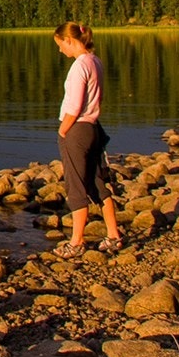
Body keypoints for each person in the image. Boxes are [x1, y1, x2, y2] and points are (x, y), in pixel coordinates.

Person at [52, 22, 124, 257]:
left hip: (77, 130)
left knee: (76, 185)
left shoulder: (78, 67)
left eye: (60, 45)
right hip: (94, 127)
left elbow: (74, 105)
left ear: (70, 41)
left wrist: (63, 130)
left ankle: (76, 241)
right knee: (97, 181)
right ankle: (113, 235)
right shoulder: (95, 61)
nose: (60, 50)